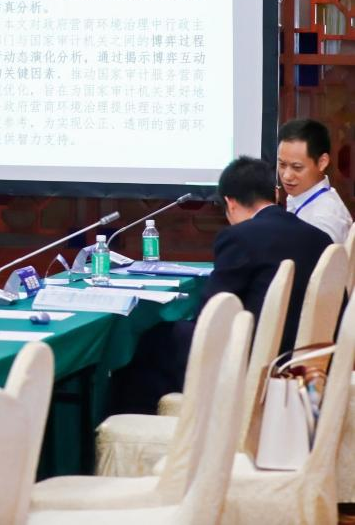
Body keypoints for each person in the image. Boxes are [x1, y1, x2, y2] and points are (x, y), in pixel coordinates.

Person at [110, 156, 331, 414]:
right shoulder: (321, 239)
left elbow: (211, 317)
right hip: (308, 362)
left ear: (230, 202)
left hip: (254, 362)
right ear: (274, 194)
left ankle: (131, 427)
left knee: (153, 342)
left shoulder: (240, 237)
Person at [277, 118, 352, 245]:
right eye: (282, 165)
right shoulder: (302, 195)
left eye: (297, 167)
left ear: (322, 162)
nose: (286, 176)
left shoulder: (322, 221)